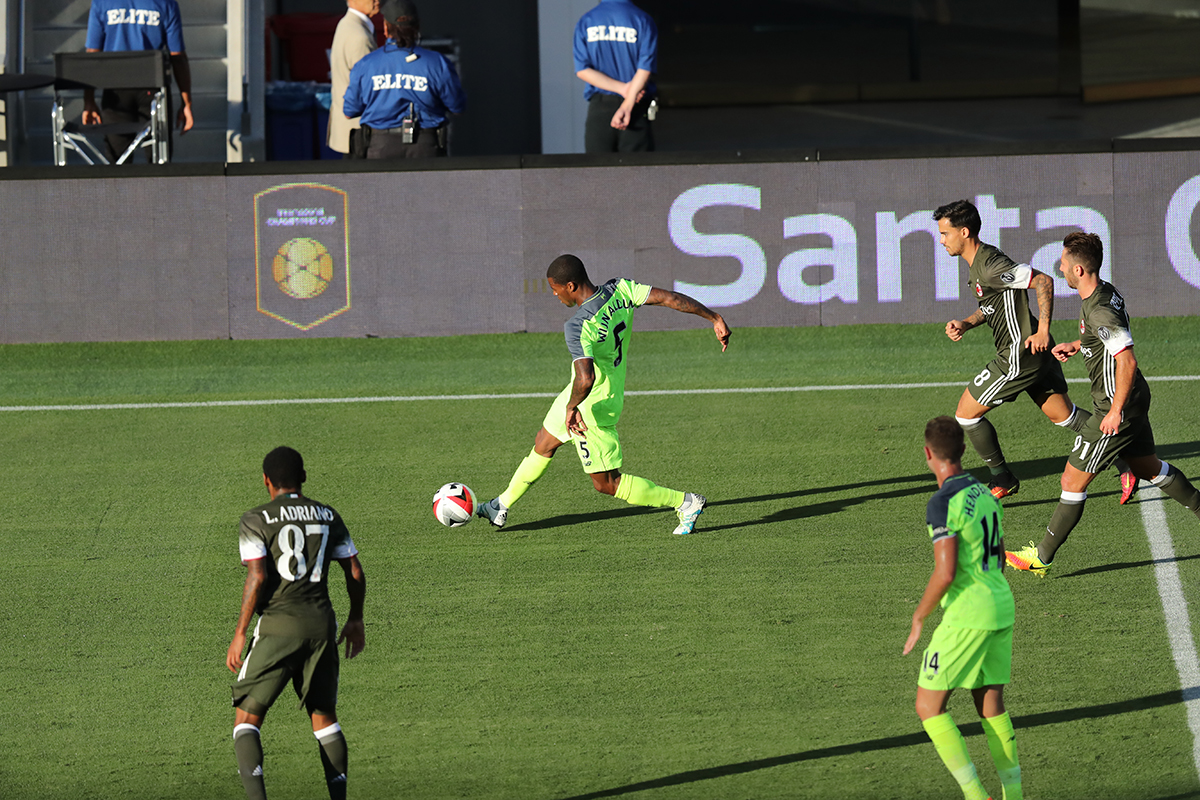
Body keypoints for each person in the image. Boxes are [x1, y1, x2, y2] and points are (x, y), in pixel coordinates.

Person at [476, 254, 731, 535]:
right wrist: (713, 317)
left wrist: (572, 408)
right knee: (544, 442)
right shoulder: (620, 288)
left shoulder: (578, 326)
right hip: (581, 395)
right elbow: (669, 298)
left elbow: (587, 378)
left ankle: (685, 502)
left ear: (570, 286)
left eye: (555, 287)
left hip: (591, 405)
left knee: (607, 483)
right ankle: (500, 504)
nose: (554, 293)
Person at [1007, 232, 1200, 576]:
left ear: (1079, 270)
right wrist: (1079, 345)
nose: (1060, 268)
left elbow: (1126, 360)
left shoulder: (1097, 311)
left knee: (1071, 480)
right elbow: (1108, 341)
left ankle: (1042, 557)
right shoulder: (1103, 292)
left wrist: (1114, 412)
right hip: (1135, 398)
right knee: (1148, 468)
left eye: (1064, 263)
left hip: (1118, 405)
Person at [934, 199, 1134, 503]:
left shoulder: (989, 265)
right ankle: (1124, 460)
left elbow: (1043, 280)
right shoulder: (979, 266)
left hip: (1020, 353)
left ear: (964, 232)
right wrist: (966, 323)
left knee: (965, 415)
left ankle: (1002, 477)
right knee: (1064, 416)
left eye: (945, 233)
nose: (941, 240)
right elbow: (992, 306)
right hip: (1034, 352)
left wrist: (1042, 330)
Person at [227, 447, 366, 800]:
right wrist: (355, 618)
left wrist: (240, 633)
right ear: (303, 477)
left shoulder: (256, 519)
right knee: (325, 719)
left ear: (266, 481)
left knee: (246, 721)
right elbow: (353, 570)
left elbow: (257, 577)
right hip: (322, 627)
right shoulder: (327, 515)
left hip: (277, 628)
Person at [904, 416, 1023, 800]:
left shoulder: (942, 503)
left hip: (969, 613)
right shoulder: (986, 493)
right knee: (989, 704)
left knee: (929, 706)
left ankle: (976, 795)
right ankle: (1014, 796)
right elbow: (1001, 555)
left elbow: (946, 571)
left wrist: (919, 616)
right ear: (963, 450)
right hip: (1001, 604)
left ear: (928, 454)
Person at [342, 0, 465, 159]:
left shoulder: (366, 65)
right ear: (417, 27)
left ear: (386, 28)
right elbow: (457, 107)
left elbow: (349, 111)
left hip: (380, 147)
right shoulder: (438, 63)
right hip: (426, 146)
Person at [82, 0, 194, 162]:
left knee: (117, 163)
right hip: (153, 90)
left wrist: (89, 99)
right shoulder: (166, 4)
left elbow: (92, 53)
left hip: (115, 91)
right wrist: (186, 102)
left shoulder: (102, 3)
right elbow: (178, 57)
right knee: (158, 161)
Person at [573, 0, 658, 153]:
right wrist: (627, 101)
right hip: (635, 108)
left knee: (598, 172)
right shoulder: (642, 20)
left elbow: (582, 70)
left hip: (600, 108)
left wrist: (621, 89)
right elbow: (644, 69)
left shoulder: (587, 21)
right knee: (637, 173)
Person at [328, 0, 380, 159]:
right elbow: (368, 87)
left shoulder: (347, 25)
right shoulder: (359, 36)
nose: (377, 0)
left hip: (351, 131)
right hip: (358, 132)